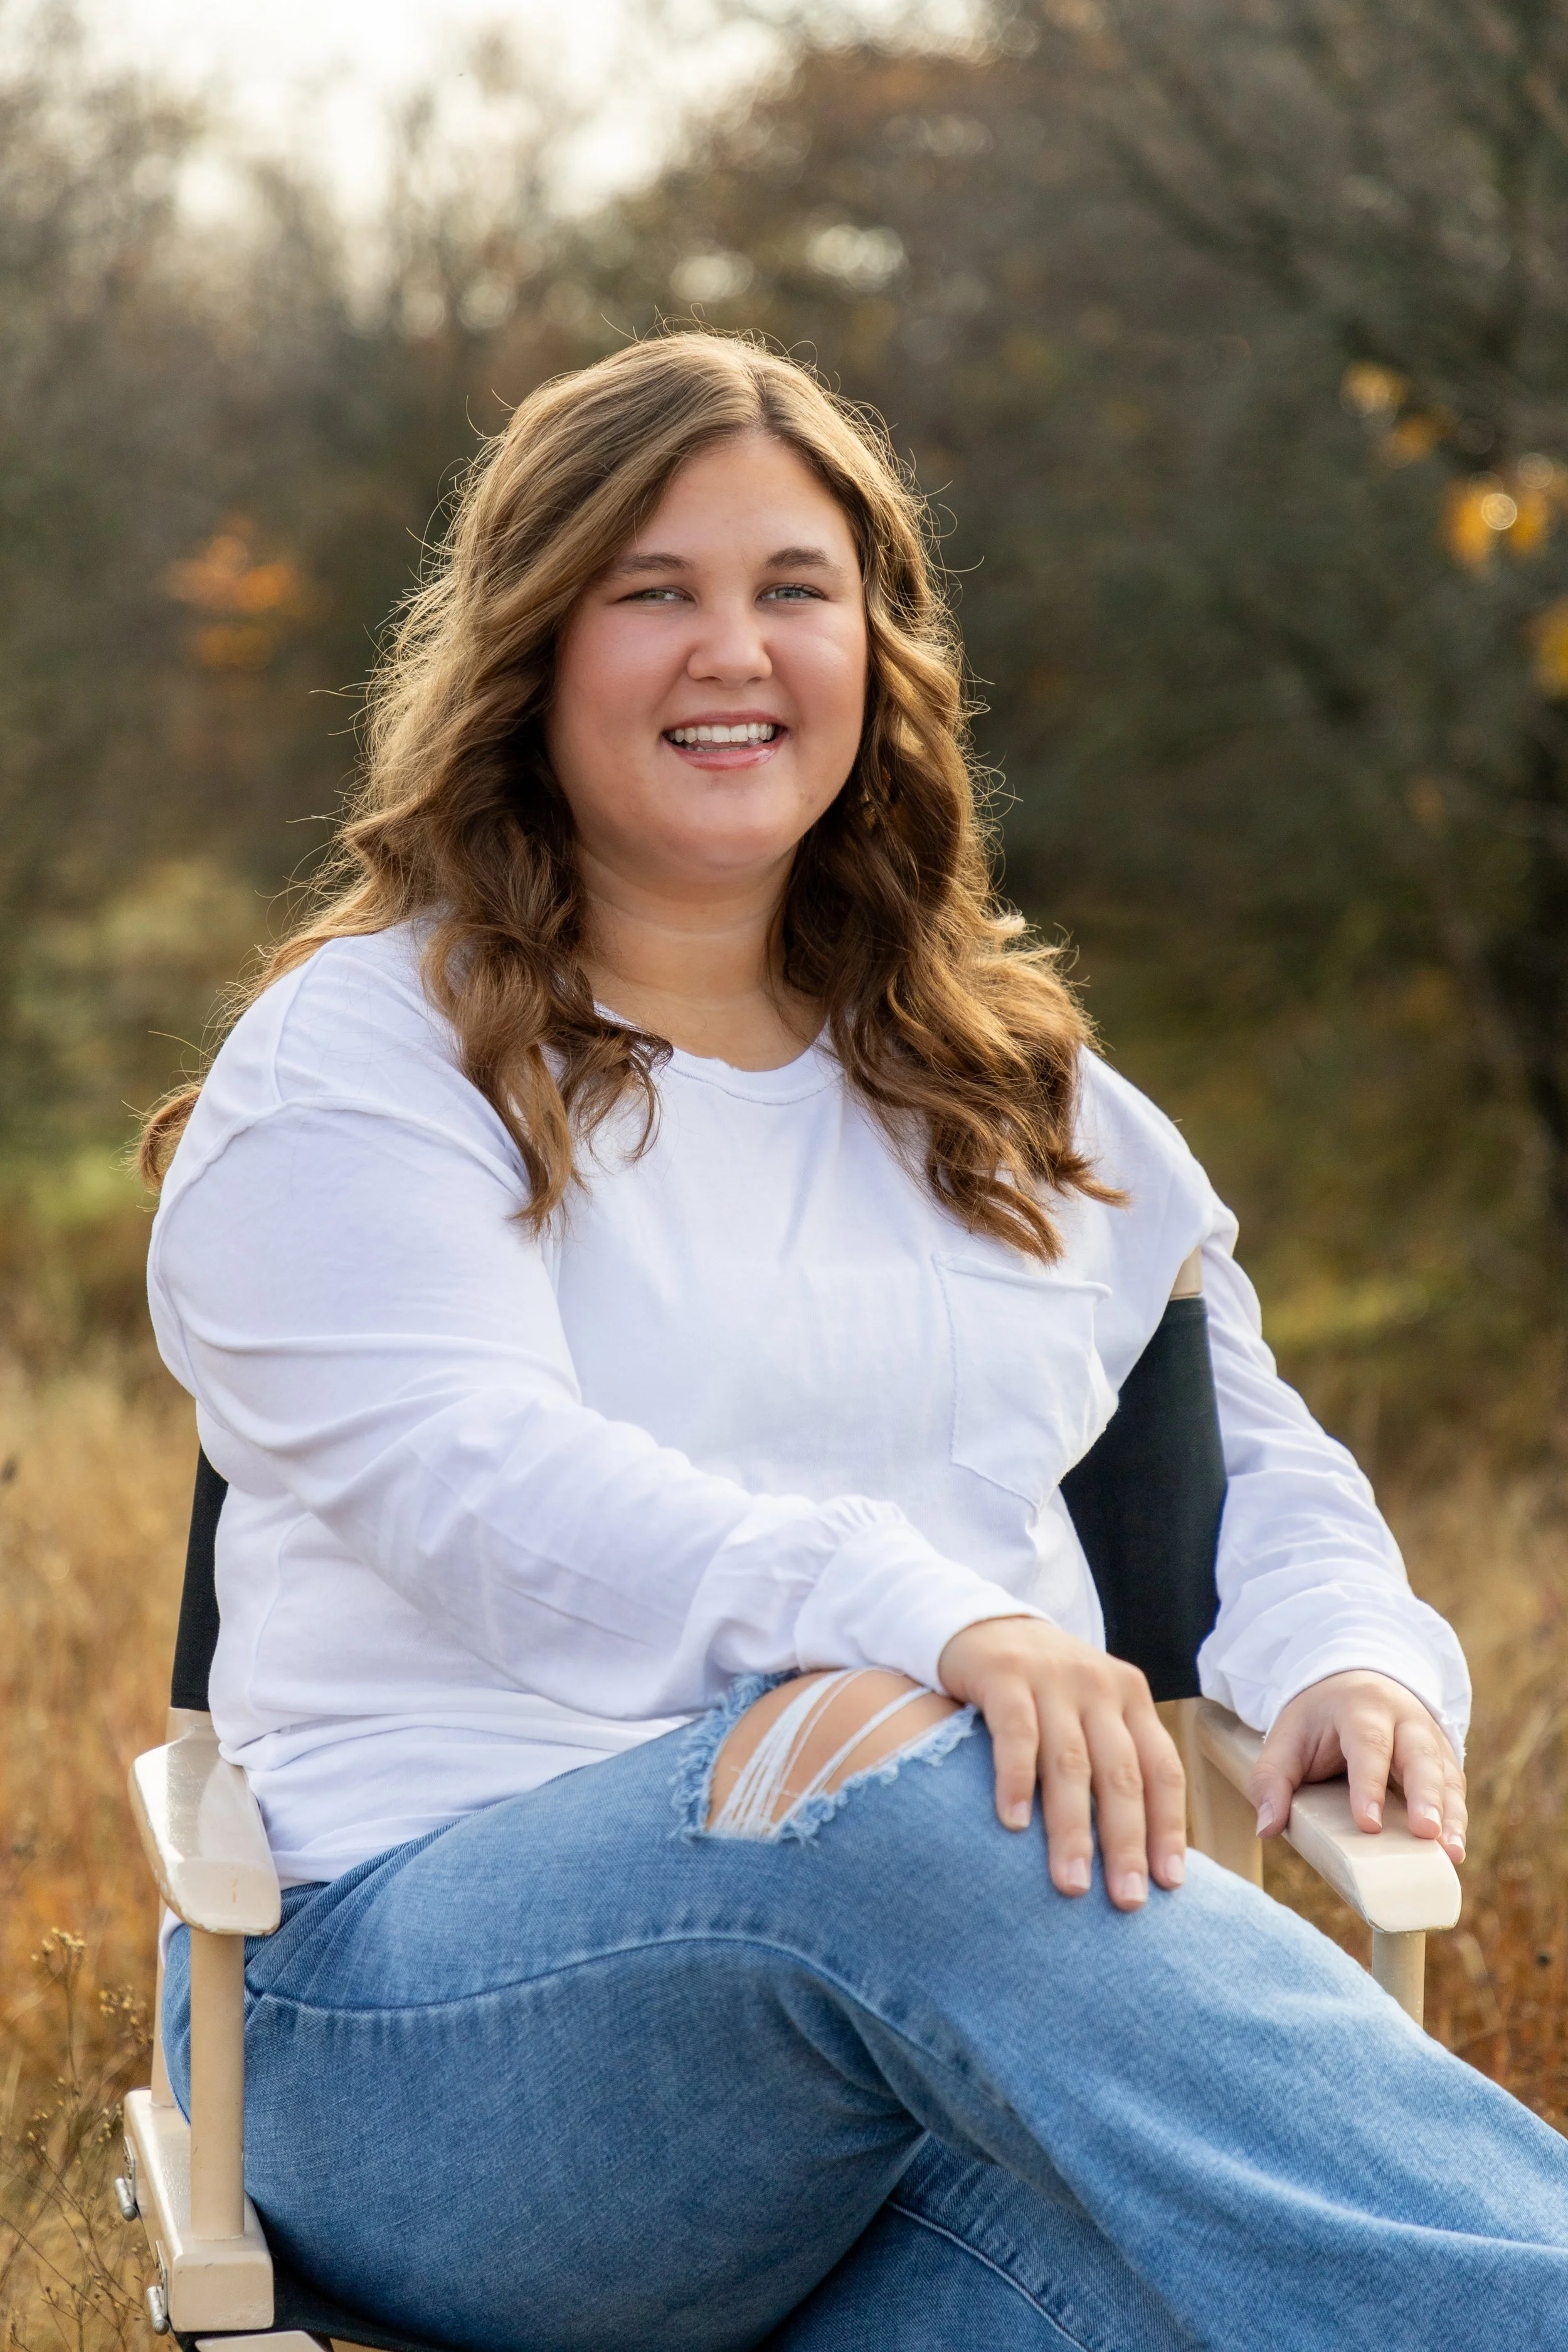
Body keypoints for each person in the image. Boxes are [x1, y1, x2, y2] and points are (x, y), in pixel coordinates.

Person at [142, 332, 1567, 2351]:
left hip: (896, 2095)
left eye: (792, 590)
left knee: (1184, 2307)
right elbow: (487, 1484)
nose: (733, 650)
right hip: (415, 2044)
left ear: (876, 657)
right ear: (530, 652)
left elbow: (1236, 1453)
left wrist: (1340, 1649)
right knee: (897, 1766)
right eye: (654, 594)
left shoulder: (1007, 1085)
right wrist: (929, 1620)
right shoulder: (366, 1061)